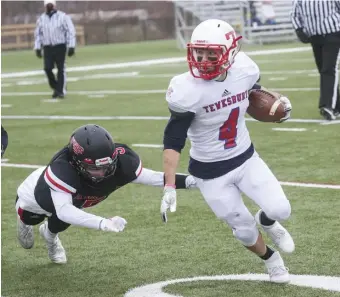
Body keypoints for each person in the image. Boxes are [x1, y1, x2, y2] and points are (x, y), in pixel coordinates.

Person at [160, 19, 294, 284]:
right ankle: (272, 261)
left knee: (281, 210)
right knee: (244, 231)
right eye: (200, 52)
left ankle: (266, 222)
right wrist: (169, 185)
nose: (204, 60)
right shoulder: (186, 89)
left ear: (232, 52)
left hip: (245, 157)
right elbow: (173, 139)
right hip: (210, 172)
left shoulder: (245, 68)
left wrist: (278, 106)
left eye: (212, 53)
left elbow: (255, 96)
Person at [16, 124, 196, 264]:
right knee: (28, 240)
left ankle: (50, 236)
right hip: (36, 199)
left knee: (61, 222)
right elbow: (64, 210)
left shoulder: (122, 161)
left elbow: (154, 177)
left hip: (73, 199)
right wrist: (103, 223)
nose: (103, 173)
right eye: (95, 169)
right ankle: (25, 223)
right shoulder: (62, 170)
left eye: (107, 166)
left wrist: (191, 182)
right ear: (77, 163)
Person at [291, 0, 340, 120]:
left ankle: (328, 106)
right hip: (314, 37)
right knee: (323, 69)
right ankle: (337, 105)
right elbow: (294, 13)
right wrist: (299, 30)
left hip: (333, 33)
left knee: (328, 69)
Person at [34, 0, 76, 99]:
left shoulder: (63, 17)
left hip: (60, 45)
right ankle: (56, 87)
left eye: (50, 4)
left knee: (61, 69)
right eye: (47, 5)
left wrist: (71, 46)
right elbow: (38, 34)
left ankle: (60, 91)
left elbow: (70, 31)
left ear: (54, 5)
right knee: (47, 68)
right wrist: (37, 47)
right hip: (47, 47)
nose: (49, 6)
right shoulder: (41, 19)